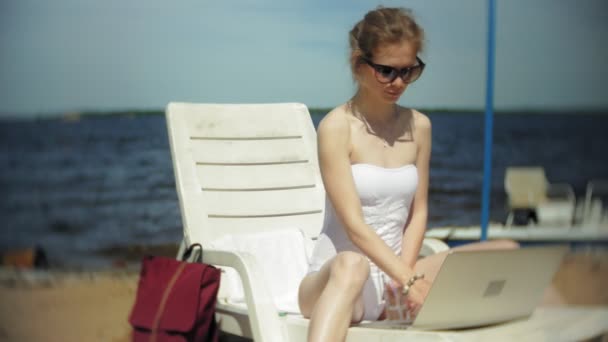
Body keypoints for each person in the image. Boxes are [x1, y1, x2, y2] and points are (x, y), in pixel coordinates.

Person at [297, 7, 518, 342]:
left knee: (507, 249)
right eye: (386, 71)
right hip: (336, 279)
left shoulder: (419, 126)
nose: (398, 82)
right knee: (352, 265)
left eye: (408, 71)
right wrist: (409, 281)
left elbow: (419, 212)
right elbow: (355, 227)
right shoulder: (336, 127)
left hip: (396, 273)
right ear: (359, 65)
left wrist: (402, 278)